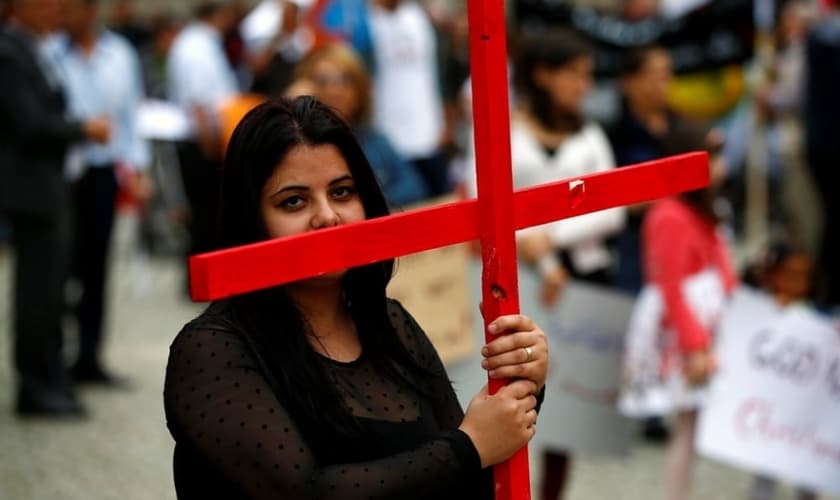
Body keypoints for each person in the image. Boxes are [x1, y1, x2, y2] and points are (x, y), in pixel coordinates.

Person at [163, 96, 549, 499]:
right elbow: (304, 493)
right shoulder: (211, 349)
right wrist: (468, 447)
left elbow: (464, 482)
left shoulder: (390, 323)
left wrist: (517, 390)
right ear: (251, 219)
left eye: (343, 192)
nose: (327, 216)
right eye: (293, 201)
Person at [466, 28, 625, 500]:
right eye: (574, 73)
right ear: (542, 74)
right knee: (511, 394)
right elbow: (485, 199)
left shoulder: (591, 134)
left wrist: (547, 241)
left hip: (584, 279)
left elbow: (612, 210)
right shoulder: (505, 131)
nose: (584, 85)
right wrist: (537, 255)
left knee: (569, 409)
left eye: (588, 75)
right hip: (518, 284)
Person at [0, 0, 111, 416]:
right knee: (37, 293)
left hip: (50, 185)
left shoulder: (33, 48)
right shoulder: (9, 51)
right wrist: (83, 129)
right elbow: (29, 124)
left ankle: (50, 375)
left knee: (50, 291)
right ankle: (34, 385)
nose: (52, 9)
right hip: (31, 190)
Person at [638, 121, 737, 500]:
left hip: (707, 329)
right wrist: (695, 345)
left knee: (693, 426)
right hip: (685, 337)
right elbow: (671, 288)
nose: (721, 168)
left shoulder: (704, 210)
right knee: (686, 425)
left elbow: (721, 267)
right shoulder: (669, 215)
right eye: (711, 159)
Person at [56, 0, 152, 385]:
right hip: (61, 172)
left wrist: (138, 169)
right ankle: (52, 356)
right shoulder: (50, 52)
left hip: (102, 171)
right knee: (59, 268)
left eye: (73, 8)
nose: (65, 16)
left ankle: (89, 356)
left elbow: (130, 112)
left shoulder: (119, 54)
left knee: (96, 267)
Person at [290, 42, 429, 206]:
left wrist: (365, 204)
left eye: (345, 80)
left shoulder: (377, 142)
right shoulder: (297, 148)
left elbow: (414, 188)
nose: (335, 90)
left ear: (359, 91)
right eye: (323, 81)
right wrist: (292, 109)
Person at [167, 0, 240, 260]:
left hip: (209, 140)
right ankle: (201, 281)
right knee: (205, 215)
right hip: (203, 143)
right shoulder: (195, 45)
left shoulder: (203, 42)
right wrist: (212, 147)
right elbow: (198, 104)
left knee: (209, 214)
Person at [744, 241, 817, 500]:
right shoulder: (760, 311)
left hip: (803, 413)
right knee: (765, 470)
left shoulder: (817, 318)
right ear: (775, 276)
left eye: (803, 276)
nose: (797, 282)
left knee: (807, 472)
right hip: (769, 414)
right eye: (790, 275)